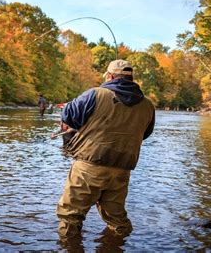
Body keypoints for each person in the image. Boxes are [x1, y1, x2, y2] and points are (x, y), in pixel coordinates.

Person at [56, 59, 155, 239]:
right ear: (131, 79)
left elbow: (68, 116)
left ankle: (69, 247)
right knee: (116, 218)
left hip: (89, 166)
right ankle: (117, 245)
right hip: (122, 170)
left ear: (109, 76)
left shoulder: (95, 94)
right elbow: (144, 134)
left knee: (70, 216)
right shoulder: (148, 105)